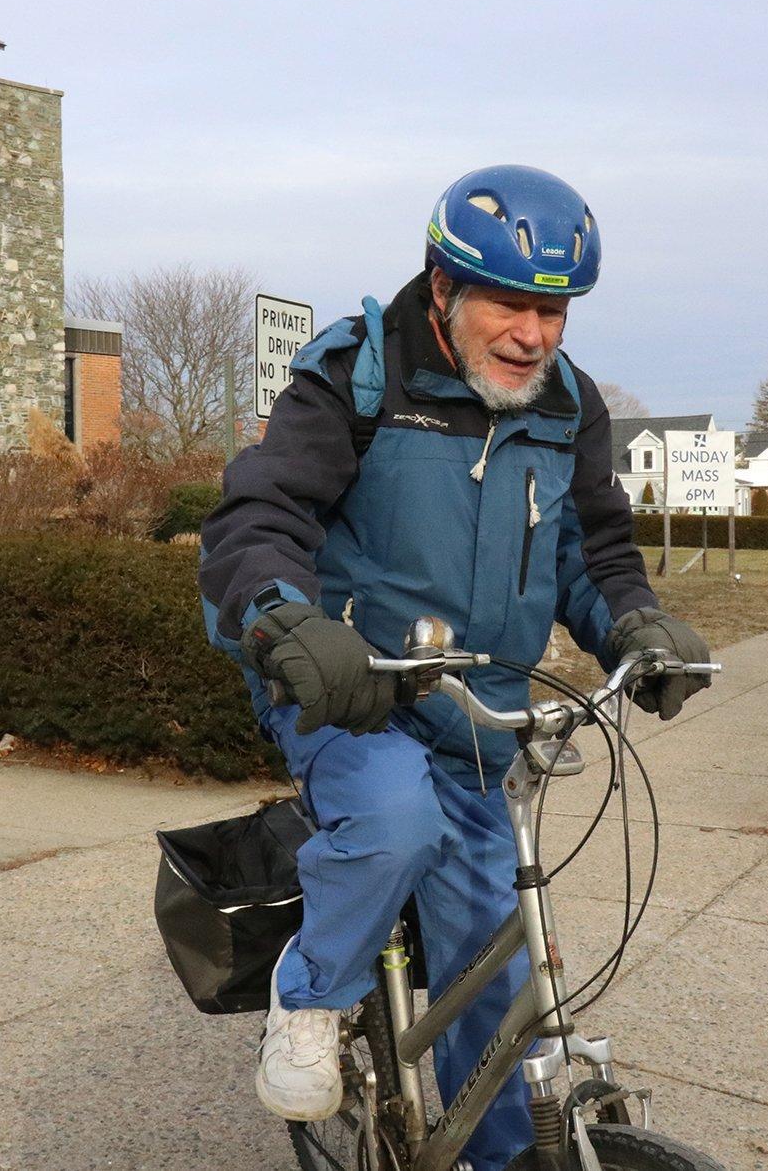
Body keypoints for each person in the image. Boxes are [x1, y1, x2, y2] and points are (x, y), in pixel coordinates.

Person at [198, 165, 711, 1171]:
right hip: (356, 698)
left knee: (491, 952)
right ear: (442, 289)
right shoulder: (358, 376)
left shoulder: (565, 407)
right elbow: (259, 518)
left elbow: (592, 552)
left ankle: (508, 1155)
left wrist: (637, 627)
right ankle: (306, 1003)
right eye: (510, 306)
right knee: (394, 826)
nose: (535, 334)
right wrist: (285, 622)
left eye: (553, 309)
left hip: (481, 717)